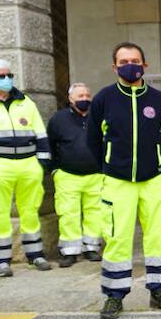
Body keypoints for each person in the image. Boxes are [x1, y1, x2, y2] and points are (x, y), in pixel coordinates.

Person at [87, 42, 161, 319]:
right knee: (117, 238)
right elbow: (93, 140)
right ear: (114, 66)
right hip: (117, 181)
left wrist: (154, 161)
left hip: (152, 180)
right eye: (124, 60)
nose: (131, 65)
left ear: (145, 65)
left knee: (156, 237)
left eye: (136, 60)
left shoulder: (158, 100)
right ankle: (114, 296)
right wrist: (109, 164)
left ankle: (158, 291)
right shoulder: (104, 99)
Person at [0, 57, 52, 277]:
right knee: (0, 213)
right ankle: (2, 261)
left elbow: (40, 133)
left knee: (30, 211)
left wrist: (41, 162)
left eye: (9, 75)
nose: (7, 79)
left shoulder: (26, 102)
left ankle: (35, 256)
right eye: (1, 76)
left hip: (28, 164)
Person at [47, 83, 104, 268]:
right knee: (68, 214)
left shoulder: (99, 117)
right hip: (67, 175)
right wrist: (54, 169)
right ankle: (70, 252)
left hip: (96, 174)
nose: (85, 99)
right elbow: (50, 144)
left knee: (95, 213)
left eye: (87, 95)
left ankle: (92, 248)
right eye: (80, 96)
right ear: (71, 99)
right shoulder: (58, 119)